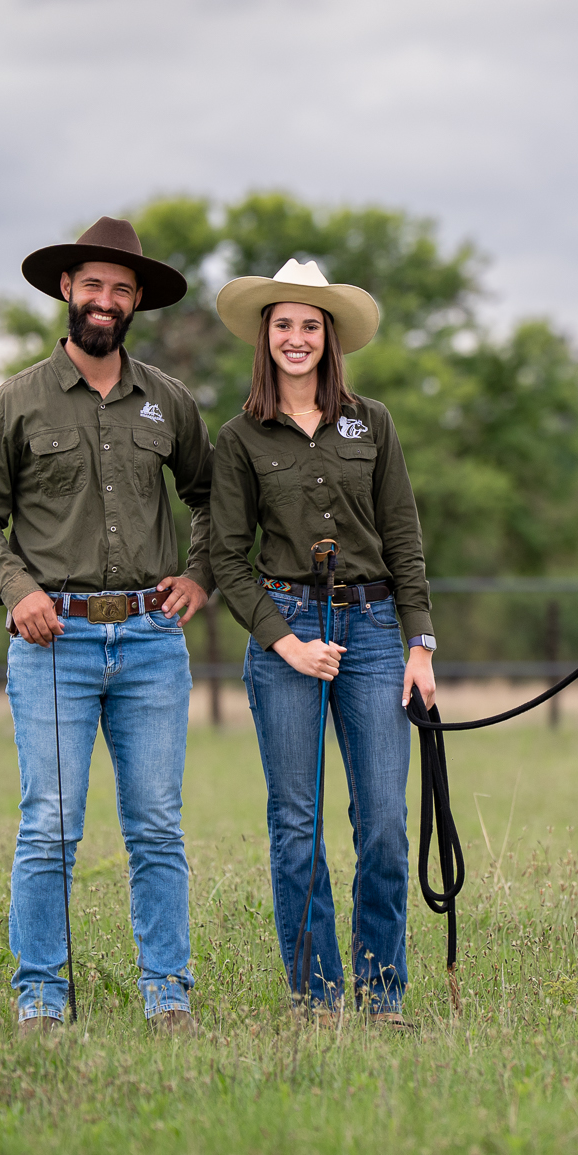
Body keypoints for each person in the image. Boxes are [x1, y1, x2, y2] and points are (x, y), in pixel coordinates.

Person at [0, 216, 214, 1037]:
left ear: (137, 302)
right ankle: (39, 993)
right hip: (51, 641)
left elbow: (212, 497)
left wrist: (201, 574)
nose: (105, 300)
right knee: (51, 826)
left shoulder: (167, 401)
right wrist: (15, 589)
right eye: (92, 285)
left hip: (149, 640)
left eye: (121, 289)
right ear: (67, 290)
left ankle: (167, 992)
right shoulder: (18, 402)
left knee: (157, 827)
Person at [207, 258, 437, 1027]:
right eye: (284, 325)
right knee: (295, 825)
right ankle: (318, 997)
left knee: (383, 824)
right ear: (265, 337)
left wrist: (420, 644)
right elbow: (226, 560)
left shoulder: (372, 422)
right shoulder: (239, 437)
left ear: (329, 337)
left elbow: (402, 535)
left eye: (311, 325)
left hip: (373, 634)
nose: (297, 337)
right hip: (286, 637)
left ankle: (382, 995)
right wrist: (284, 643)